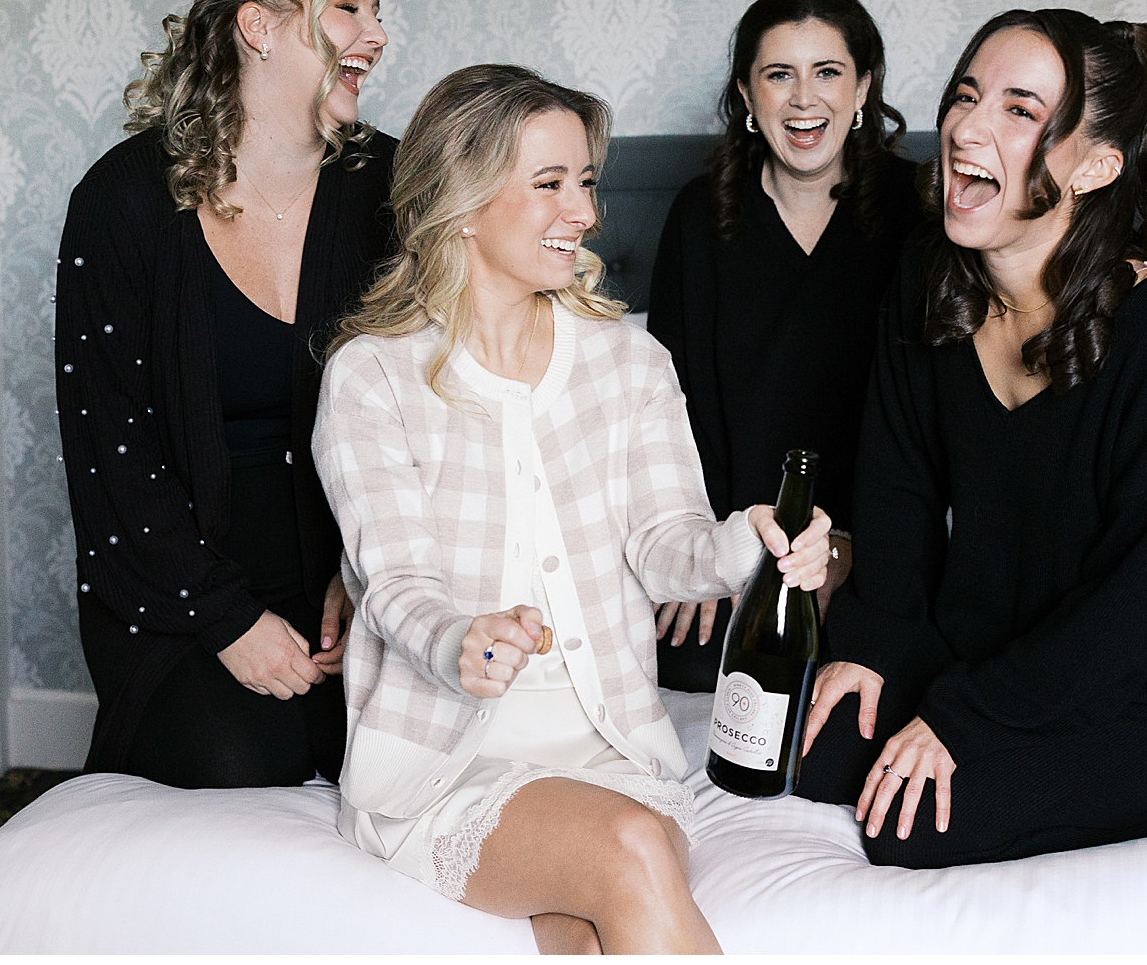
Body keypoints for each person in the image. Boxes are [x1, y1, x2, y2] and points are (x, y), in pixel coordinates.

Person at [312, 64, 830, 953]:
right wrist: (457, 639)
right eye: (549, 184)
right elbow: (392, 579)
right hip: (449, 755)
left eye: (585, 181)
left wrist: (751, 542)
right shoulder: (372, 375)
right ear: (462, 202)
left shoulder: (629, 361)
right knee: (628, 851)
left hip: (612, 743)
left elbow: (666, 546)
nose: (585, 212)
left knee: (592, 925)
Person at [796, 9, 1147, 869]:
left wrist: (958, 720)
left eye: (1020, 111)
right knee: (810, 756)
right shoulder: (926, 275)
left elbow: (1130, 609)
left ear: (1097, 166)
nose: (966, 128)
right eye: (966, 95)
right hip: (1015, 633)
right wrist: (870, 649)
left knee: (910, 824)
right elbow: (899, 489)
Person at [55, 0, 395, 789]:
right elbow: (111, 459)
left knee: (395, 762)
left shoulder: (392, 187)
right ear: (260, 26)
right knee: (247, 761)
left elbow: (439, 403)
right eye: (349, 8)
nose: (378, 36)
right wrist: (228, 619)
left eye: (377, 11)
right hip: (179, 595)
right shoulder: (121, 202)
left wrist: (377, 578)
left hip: (357, 585)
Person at [647, 0, 925, 690]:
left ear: (863, 87)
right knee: (692, 663)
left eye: (828, 72)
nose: (804, 99)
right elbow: (669, 407)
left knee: (884, 671)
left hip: (877, 548)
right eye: (779, 75)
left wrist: (855, 550)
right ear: (746, 94)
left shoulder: (920, 212)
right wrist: (705, 553)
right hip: (741, 543)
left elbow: (937, 418)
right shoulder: (699, 218)